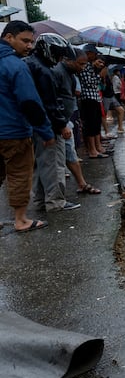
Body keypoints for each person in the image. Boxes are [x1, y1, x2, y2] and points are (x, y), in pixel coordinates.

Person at [0, 21, 55, 232]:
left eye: (31, 42)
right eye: (25, 41)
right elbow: (30, 102)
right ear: (9, 38)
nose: (29, 46)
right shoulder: (16, 66)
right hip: (13, 132)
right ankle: (21, 220)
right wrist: (46, 132)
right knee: (19, 175)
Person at [25, 32, 80, 213]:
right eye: (57, 55)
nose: (58, 59)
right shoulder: (43, 71)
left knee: (40, 165)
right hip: (47, 126)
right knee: (54, 164)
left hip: (34, 126)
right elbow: (50, 103)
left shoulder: (30, 65)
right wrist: (61, 125)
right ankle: (56, 202)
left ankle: (42, 201)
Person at [53, 46, 100, 195]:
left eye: (85, 64)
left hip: (65, 120)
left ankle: (81, 184)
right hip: (59, 123)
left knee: (70, 154)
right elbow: (53, 102)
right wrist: (61, 124)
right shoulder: (57, 73)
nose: (83, 67)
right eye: (80, 64)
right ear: (68, 60)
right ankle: (55, 200)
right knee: (58, 161)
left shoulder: (71, 74)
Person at [77, 44, 110, 158]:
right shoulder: (84, 66)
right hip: (88, 98)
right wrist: (99, 76)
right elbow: (88, 82)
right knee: (90, 125)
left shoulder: (90, 66)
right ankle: (92, 150)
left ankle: (98, 147)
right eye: (94, 54)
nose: (95, 56)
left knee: (96, 124)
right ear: (88, 53)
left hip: (95, 97)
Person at [102, 66, 125, 134]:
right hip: (105, 97)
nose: (106, 69)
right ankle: (106, 131)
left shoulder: (108, 76)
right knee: (104, 114)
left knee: (121, 110)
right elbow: (101, 88)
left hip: (111, 96)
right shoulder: (100, 77)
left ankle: (120, 127)